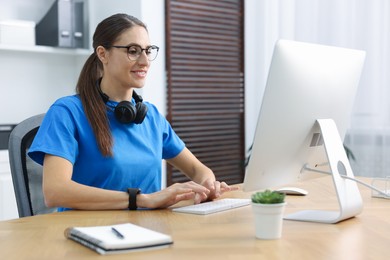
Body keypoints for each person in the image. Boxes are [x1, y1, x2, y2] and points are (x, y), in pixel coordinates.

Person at [28, 13, 237, 212]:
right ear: (103, 54)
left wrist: (208, 184)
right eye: (133, 50)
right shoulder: (67, 112)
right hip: (88, 233)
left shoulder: (152, 117)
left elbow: (197, 170)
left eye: (148, 50)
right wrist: (142, 200)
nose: (145, 61)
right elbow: (55, 191)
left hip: (147, 231)